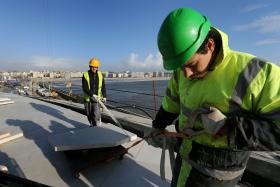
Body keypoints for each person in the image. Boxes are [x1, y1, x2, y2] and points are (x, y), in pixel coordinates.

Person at [149, 7, 280, 187]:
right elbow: (171, 102)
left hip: (216, 178)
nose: (186, 74)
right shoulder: (182, 71)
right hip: (184, 161)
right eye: (180, 67)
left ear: (210, 45)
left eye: (192, 65)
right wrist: (157, 126)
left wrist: (229, 128)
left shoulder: (257, 73)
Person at [82, 57, 106, 126]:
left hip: (96, 99)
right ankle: (92, 124)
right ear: (90, 66)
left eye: (96, 67)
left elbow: (103, 86)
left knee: (96, 114)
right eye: (93, 67)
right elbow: (85, 87)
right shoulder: (85, 75)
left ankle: (95, 127)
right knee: (88, 114)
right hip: (88, 99)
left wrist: (104, 96)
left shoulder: (100, 75)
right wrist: (92, 95)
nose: (95, 68)